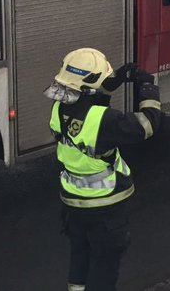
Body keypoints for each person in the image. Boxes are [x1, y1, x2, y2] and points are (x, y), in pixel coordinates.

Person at [44, 48, 161, 291]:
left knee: (80, 255)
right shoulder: (105, 121)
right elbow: (148, 124)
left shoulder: (58, 109)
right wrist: (149, 88)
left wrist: (114, 80)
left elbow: (90, 101)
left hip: (73, 204)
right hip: (105, 208)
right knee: (104, 264)